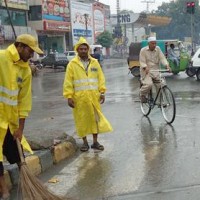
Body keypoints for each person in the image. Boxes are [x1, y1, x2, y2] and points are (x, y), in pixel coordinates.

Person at [0, 34, 43, 199]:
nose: (32, 55)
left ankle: (28, 179)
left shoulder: (25, 69)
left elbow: (24, 100)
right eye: (30, 51)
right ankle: (4, 190)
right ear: (20, 47)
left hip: (9, 121)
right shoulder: (2, 57)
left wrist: (20, 128)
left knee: (17, 154)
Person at [63, 37, 113, 152]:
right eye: (81, 49)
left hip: (94, 97)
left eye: (85, 49)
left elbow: (101, 78)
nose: (83, 51)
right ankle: (85, 142)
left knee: (95, 120)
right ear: (77, 50)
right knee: (81, 120)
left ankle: (95, 142)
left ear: (88, 50)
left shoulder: (95, 63)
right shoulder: (72, 64)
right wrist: (69, 96)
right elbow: (68, 82)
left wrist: (102, 92)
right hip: (79, 99)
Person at [139, 36, 171, 103]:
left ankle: (160, 102)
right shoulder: (143, 50)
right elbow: (142, 61)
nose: (154, 45)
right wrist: (145, 67)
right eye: (152, 43)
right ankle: (142, 94)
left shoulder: (158, 49)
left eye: (155, 43)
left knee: (162, 84)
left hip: (155, 71)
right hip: (146, 71)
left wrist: (167, 65)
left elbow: (162, 58)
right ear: (149, 44)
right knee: (149, 84)